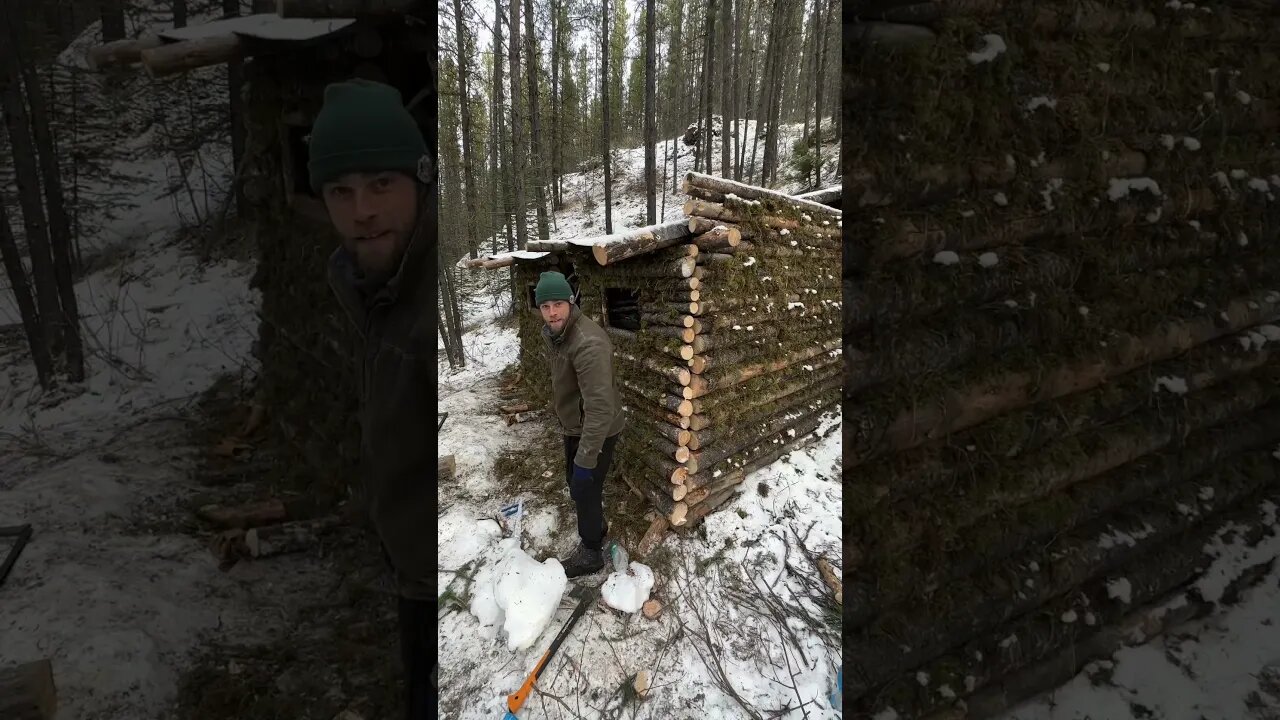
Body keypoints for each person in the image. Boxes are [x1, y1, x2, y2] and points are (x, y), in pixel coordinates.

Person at [307, 78, 434, 719]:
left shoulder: (429, 303)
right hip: (408, 569)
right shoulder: (365, 286)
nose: (362, 211)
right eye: (341, 191)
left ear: (420, 179)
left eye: (381, 185)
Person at [535, 271, 627, 577]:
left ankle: (591, 553)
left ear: (570, 302)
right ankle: (597, 525)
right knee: (576, 485)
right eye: (545, 306)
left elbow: (600, 408)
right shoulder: (561, 334)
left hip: (595, 429)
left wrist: (586, 460)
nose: (552, 313)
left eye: (558, 304)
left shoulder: (586, 343)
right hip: (576, 424)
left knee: (584, 487)